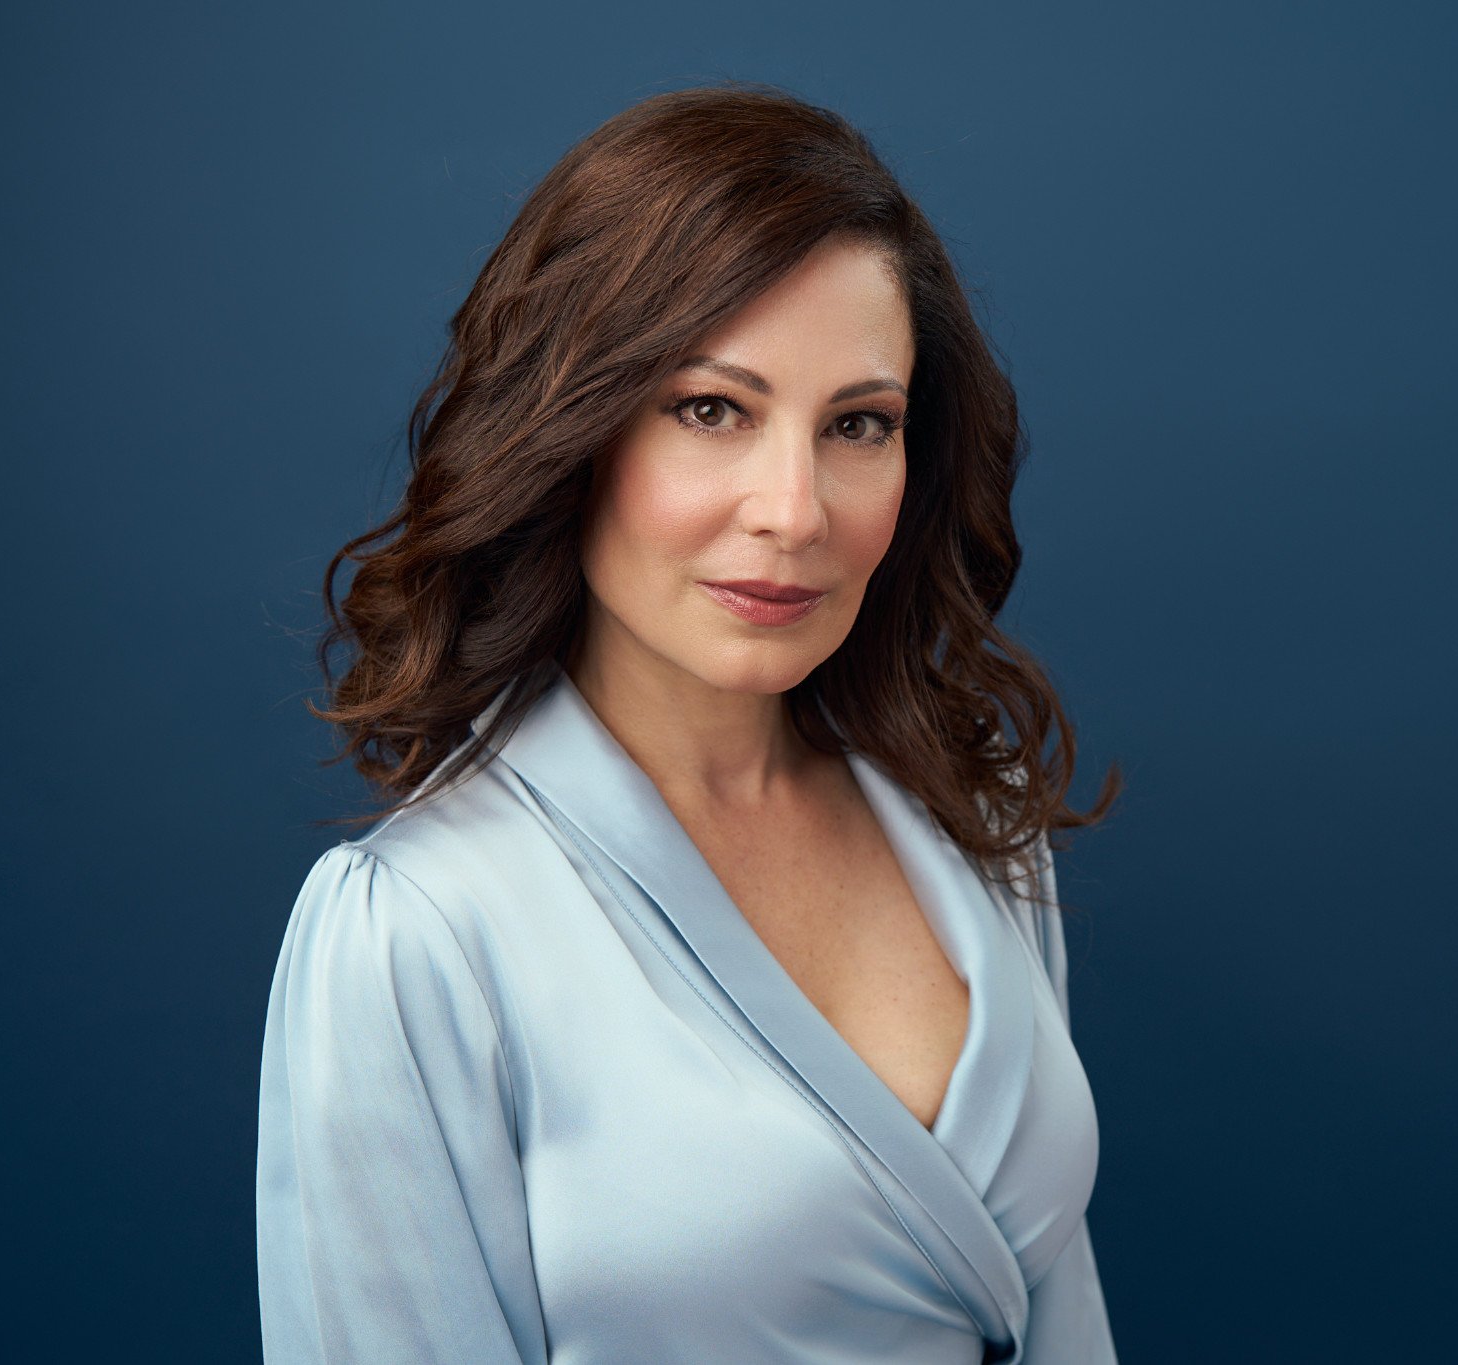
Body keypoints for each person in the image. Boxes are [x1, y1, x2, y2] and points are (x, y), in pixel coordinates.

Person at [255, 83, 1124, 1364]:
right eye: (710, 409)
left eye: (857, 425)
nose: (793, 509)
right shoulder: (418, 933)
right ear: (572, 431)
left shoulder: (974, 818)